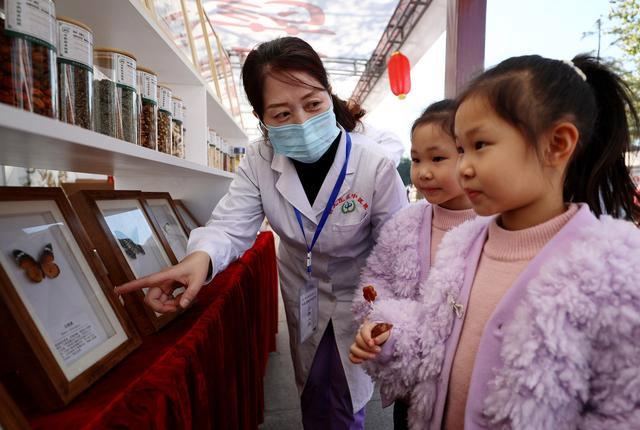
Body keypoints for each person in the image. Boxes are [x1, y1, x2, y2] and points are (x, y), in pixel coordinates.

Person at [115, 36, 408, 429]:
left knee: (342, 393)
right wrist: (199, 259)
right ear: (260, 116)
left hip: (358, 291)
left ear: (329, 93)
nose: (302, 123)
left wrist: (388, 309)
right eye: (282, 114)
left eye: (313, 104)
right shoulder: (259, 159)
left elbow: (397, 249)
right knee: (313, 385)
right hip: (302, 287)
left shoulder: (373, 164)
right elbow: (230, 225)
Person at [349, 54, 640, 429]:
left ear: (557, 144)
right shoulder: (463, 245)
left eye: (480, 145)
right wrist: (390, 338)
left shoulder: (614, 269)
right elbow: (432, 346)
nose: (465, 166)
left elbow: (622, 407)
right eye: (461, 149)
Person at [349, 99, 475, 429]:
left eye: (437, 158)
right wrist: (382, 327)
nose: (423, 171)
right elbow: (375, 284)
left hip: (471, 388)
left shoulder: (494, 225)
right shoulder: (405, 223)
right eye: (417, 159)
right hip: (411, 384)